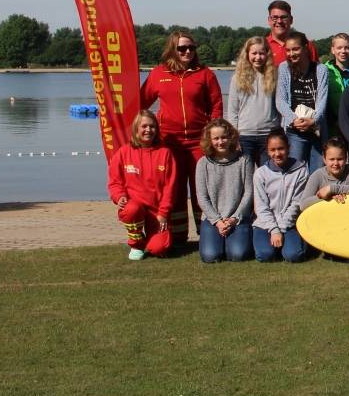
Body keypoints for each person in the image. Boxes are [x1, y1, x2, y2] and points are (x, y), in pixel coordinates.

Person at [140, 29, 223, 240]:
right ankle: (177, 237)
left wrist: (212, 135)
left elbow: (216, 106)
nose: (187, 52)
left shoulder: (205, 74)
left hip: (199, 142)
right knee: (174, 190)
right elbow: (141, 103)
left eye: (191, 48)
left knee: (201, 190)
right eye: (182, 48)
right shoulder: (159, 74)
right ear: (172, 50)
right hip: (169, 142)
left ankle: (205, 234)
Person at [107, 110, 178, 260]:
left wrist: (163, 214)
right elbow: (115, 182)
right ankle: (136, 243)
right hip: (135, 208)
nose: (148, 130)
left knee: (159, 249)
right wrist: (119, 197)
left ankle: (151, 239)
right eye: (144, 126)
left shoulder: (165, 153)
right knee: (132, 209)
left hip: (156, 212)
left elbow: (170, 188)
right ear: (136, 129)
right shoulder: (123, 152)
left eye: (152, 127)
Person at [194, 118, 254, 263]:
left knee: (237, 254)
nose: (220, 142)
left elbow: (249, 193)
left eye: (224, 137)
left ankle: (234, 241)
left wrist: (234, 218)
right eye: (216, 138)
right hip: (213, 219)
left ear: (231, 137)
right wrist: (218, 222)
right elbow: (202, 197)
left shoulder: (244, 160)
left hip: (237, 218)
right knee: (210, 256)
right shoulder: (203, 163)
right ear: (210, 140)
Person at [252, 128, 309, 263]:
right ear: (267, 151)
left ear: (289, 148)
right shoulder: (260, 174)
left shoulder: (301, 171)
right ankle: (270, 245)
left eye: (281, 148)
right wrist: (274, 229)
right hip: (265, 224)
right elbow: (261, 207)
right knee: (264, 255)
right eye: (272, 150)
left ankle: (293, 245)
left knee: (293, 256)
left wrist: (281, 229)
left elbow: (296, 203)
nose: (277, 153)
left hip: (290, 223)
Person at [275, 30, 328, 172]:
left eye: (296, 49)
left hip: (316, 130)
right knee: (295, 172)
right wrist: (293, 119)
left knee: (317, 173)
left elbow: (323, 100)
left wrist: (314, 120)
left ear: (305, 47)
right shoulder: (284, 68)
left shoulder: (320, 69)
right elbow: (280, 101)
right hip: (294, 130)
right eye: (288, 50)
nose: (292, 54)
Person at [226, 37, 279, 167]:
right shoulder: (237, 78)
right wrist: (234, 137)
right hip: (244, 136)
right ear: (247, 54)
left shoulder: (274, 76)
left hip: (268, 135)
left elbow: (280, 106)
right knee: (246, 178)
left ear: (267, 54)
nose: (258, 57)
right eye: (254, 53)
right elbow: (232, 111)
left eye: (261, 53)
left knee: (268, 177)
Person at [300, 137, 349, 211]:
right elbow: (303, 204)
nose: (336, 163)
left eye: (340, 159)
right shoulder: (317, 175)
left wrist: (332, 189)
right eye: (332, 159)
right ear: (324, 159)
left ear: (346, 158)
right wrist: (329, 197)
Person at [323, 33, 349, 140]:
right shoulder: (325, 70)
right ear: (333, 50)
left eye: (347, 48)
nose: (343, 51)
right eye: (339, 48)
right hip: (333, 126)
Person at [264, 0, 318, 65]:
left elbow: (316, 72)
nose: (279, 21)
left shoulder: (306, 45)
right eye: (275, 17)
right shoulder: (262, 46)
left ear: (291, 19)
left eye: (283, 17)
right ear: (269, 20)